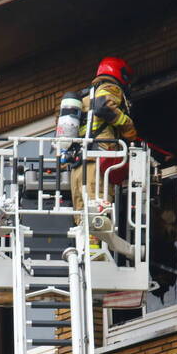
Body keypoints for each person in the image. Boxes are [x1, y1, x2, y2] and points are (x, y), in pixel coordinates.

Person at [69, 57, 138, 235]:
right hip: (97, 164)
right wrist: (128, 126)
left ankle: (86, 250)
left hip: (78, 167)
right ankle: (97, 250)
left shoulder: (84, 96)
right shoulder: (110, 87)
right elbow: (103, 107)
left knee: (82, 221)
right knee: (97, 215)